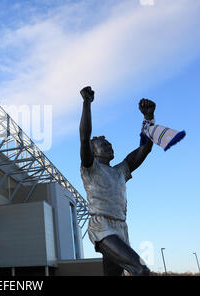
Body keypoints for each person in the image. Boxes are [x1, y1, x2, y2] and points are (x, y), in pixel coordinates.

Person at [79, 86, 154, 276]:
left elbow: (145, 149)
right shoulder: (90, 168)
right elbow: (84, 136)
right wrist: (87, 103)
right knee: (141, 270)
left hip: (121, 228)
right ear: (93, 151)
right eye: (103, 145)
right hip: (102, 227)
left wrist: (148, 118)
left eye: (109, 144)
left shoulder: (121, 170)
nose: (108, 146)